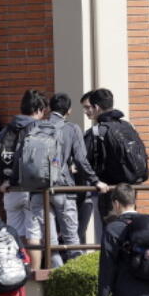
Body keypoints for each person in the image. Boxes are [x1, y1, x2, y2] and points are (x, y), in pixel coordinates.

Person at [81, 87, 146, 241]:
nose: (86, 111)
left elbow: (83, 160)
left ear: (97, 107)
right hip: (131, 187)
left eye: (88, 107)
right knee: (129, 227)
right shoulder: (127, 126)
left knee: (108, 232)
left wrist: (94, 180)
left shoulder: (97, 132)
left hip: (108, 189)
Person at [39, 92, 95, 265]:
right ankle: (74, 279)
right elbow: (80, 159)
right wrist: (95, 180)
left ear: (49, 108)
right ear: (69, 110)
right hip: (63, 187)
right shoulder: (71, 129)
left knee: (51, 241)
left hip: (40, 189)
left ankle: (56, 273)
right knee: (72, 237)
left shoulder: (37, 127)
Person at [0, 89, 46, 267]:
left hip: (8, 190)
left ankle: (15, 271)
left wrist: (5, 180)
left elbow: (0, 159)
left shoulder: (6, 130)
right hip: (30, 188)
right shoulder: (37, 128)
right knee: (34, 234)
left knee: (13, 233)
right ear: (39, 109)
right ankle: (34, 274)